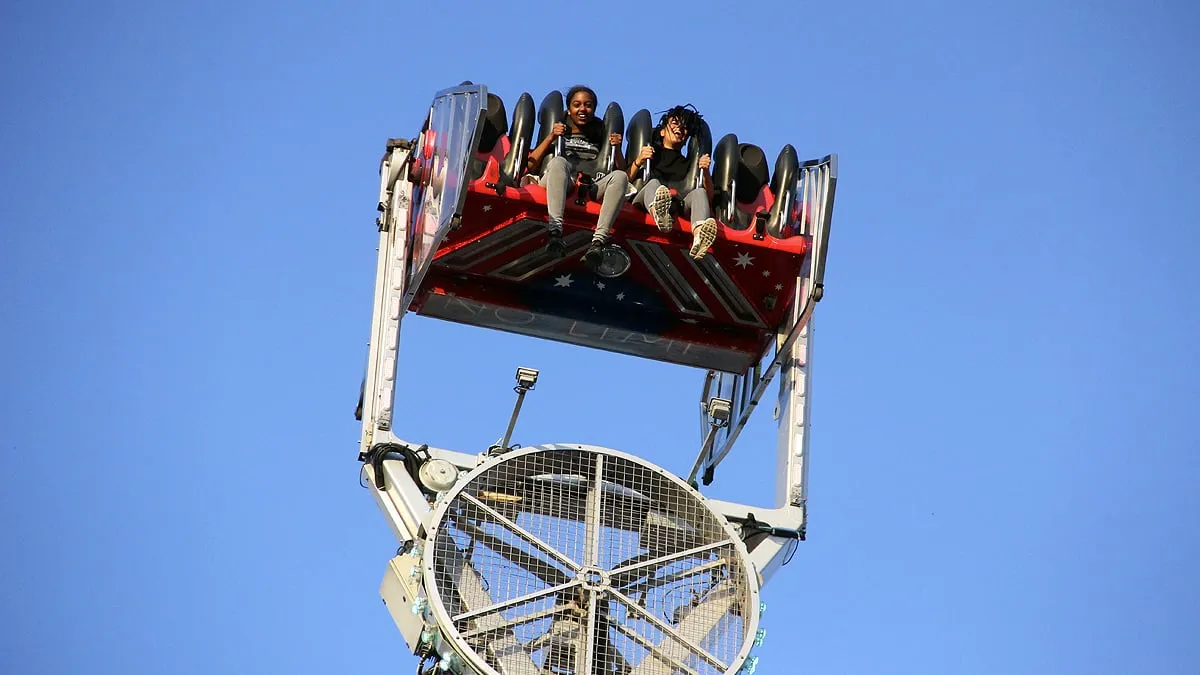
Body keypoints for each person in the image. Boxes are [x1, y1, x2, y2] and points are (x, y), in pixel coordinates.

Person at [526, 85, 629, 262]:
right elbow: (531, 165)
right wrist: (551, 136)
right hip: (560, 180)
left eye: (588, 105)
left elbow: (622, 170)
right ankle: (555, 231)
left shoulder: (600, 132)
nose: (582, 109)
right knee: (558, 162)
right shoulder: (560, 129)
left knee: (621, 177)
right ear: (569, 108)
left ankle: (598, 242)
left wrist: (617, 148)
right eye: (577, 105)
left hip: (591, 185)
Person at [627, 105, 718, 260]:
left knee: (699, 192)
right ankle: (659, 213)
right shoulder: (650, 154)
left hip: (676, 204)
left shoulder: (688, 165)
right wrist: (639, 160)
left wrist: (706, 172)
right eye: (675, 123)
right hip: (643, 200)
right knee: (654, 183)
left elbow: (709, 198)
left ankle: (699, 237)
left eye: (685, 128)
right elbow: (625, 179)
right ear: (662, 131)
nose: (680, 129)